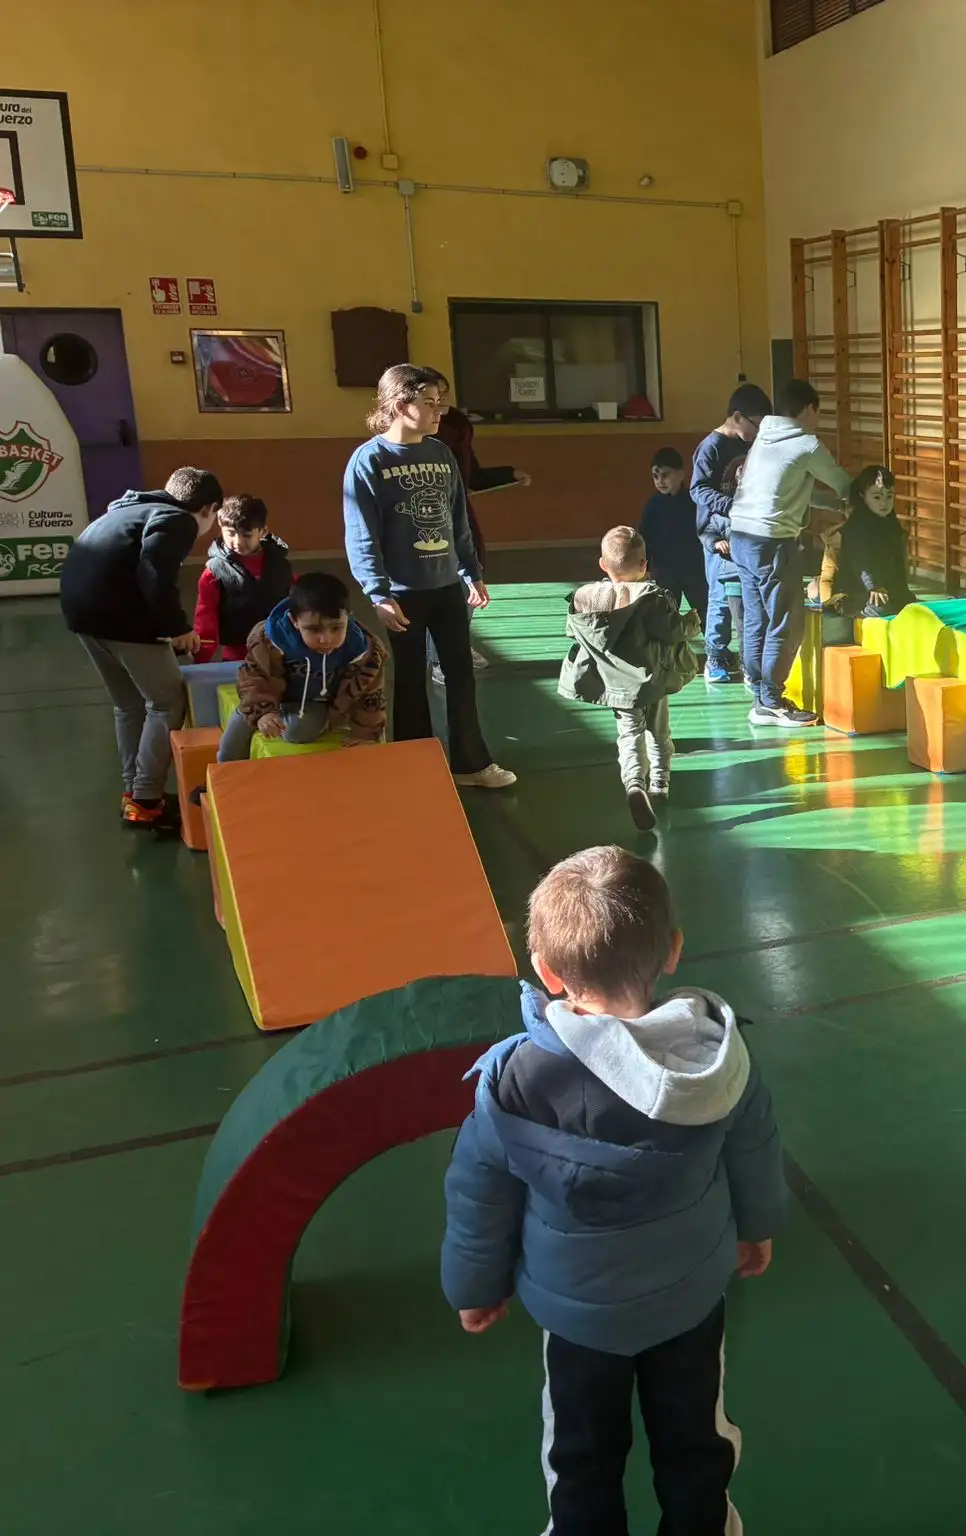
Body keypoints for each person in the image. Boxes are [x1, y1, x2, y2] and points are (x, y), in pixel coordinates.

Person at [441, 846, 785, 1536]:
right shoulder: (714, 1062)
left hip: (578, 1319)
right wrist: (757, 1226)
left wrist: (474, 1286)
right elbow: (754, 1148)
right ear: (673, 950)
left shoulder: (516, 1080)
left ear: (546, 971)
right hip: (688, 1301)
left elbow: (480, 1191)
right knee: (695, 1439)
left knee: (580, 1453)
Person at [342, 363, 516, 789]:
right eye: (430, 402)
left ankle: (471, 765)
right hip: (402, 592)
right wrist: (378, 593)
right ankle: (414, 763)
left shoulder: (440, 454)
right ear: (401, 405)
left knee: (460, 674)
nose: (440, 411)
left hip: (446, 586)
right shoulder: (369, 460)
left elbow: (458, 520)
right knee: (410, 677)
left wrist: (471, 571)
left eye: (441, 402)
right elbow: (361, 534)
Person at [58, 465, 222, 828]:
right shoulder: (177, 519)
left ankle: (134, 792)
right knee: (167, 702)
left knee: (129, 705)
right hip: (120, 618)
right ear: (207, 509)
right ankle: (147, 799)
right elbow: (155, 575)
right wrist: (177, 629)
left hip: (82, 616)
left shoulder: (126, 510)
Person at [726, 379, 851, 727]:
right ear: (809, 409)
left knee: (757, 618)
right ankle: (771, 700)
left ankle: (760, 696)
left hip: (741, 536)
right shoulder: (806, 444)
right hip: (771, 543)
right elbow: (844, 484)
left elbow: (791, 490)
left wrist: (832, 505)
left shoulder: (765, 436)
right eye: (818, 413)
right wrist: (856, 500)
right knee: (788, 621)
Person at [560, 527, 697, 832]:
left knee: (629, 734)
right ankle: (660, 784)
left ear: (603, 564)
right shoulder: (652, 598)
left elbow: (574, 632)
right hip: (653, 679)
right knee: (659, 733)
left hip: (618, 686)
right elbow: (672, 631)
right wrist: (692, 623)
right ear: (644, 564)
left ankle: (634, 783)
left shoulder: (586, 599)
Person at [218, 572, 389, 762]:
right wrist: (262, 712)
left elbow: (370, 694)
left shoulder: (362, 650)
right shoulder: (269, 640)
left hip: (316, 704)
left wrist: (366, 733)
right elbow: (255, 677)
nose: (326, 639)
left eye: (336, 628)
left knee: (298, 730)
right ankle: (225, 772)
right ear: (294, 621)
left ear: (348, 618)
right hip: (273, 693)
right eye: (313, 629)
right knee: (240, 726)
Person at [431, 405, 530, 679]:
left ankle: (457, 646)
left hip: (460, 516)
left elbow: (472, 476)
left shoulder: (457, 427)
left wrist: (509, 473)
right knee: (439, 590)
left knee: (467, 581)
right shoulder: (415, 440)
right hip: (429, 519)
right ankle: (441, 659)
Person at [690, 384, 771, 685]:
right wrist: (731, 507)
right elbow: (698, 489)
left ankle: (748, 657)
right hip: (716, 535)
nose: (758, 432)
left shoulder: (751, 445)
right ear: (737, 417)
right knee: (720, 598)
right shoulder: (711, 447)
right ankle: (715, 656)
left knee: (746, 596)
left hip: (745, 533)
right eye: (755, 425)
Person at [194, 495, 293, 662]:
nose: (238, 541)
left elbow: (296, 604)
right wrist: (201, 658)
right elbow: (205, 617)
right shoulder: (214, 572)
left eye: (246, 535)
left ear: (262, 532)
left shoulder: (280, 564)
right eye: (231, 533)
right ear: (221, 528)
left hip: (278, 651)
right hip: (237, 655)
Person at [819, 464, 912, 617]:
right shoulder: (857, 525)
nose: (884, 503)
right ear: (862, 496)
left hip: (883, 588)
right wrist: (874, 586)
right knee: (880, 610)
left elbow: (897, 562)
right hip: (855, 591)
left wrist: (903, 592)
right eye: (877, 497)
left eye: (889, 496)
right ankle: (824, 596)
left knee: (911, 607)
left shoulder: (891, 523)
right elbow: (860, 560)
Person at [640, 447, 710, 632]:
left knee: (706, 613)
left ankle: (714, 647)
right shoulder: (653, 505)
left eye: (665, 475)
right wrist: (645, 568)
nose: (660, 481)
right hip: (666, 572)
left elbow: (706, 530)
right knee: (666, 616)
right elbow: (645, 537)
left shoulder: (694, 502)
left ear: (681, 474)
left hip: (695, 571)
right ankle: (669, 649)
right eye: (655, 476)